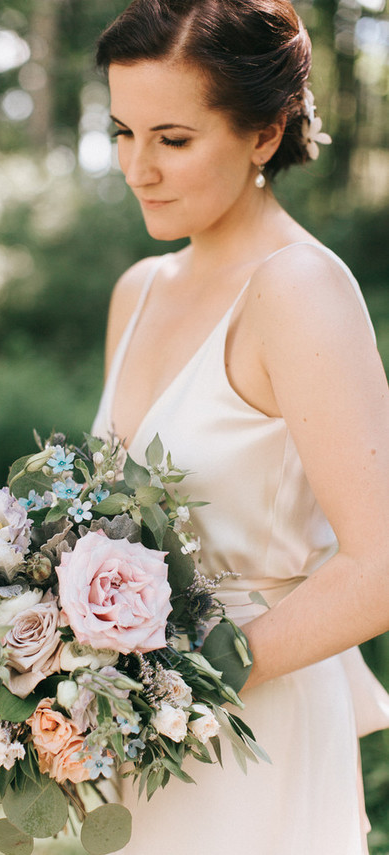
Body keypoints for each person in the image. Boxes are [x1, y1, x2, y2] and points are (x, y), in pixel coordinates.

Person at [90, 1, 389, 853]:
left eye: (173, 139)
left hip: (253, 729)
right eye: (122, 131)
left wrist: (186, 679)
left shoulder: (300, 291)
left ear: (266, 133)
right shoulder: (138, 289)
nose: (136, 168)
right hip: (134, 732)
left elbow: (381, 567)